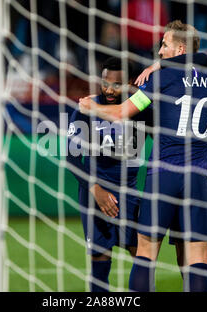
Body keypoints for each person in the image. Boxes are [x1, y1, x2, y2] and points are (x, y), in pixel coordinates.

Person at [78, 20, 207, 292]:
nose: (159, 51)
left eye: (164, 45)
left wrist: (89, 106)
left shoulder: (159, 79)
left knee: (146, 254)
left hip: (164, 175)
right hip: (201, 177)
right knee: (197, 259)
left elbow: (119, 114)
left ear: (179, 48)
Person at [66, 57, 151, 292]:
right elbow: (71, 159)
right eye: (105, 83)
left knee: (143, 259)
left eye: (117, 84)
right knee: (100, 263)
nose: (109, 89)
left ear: (131, 83)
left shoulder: (141, 110)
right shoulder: (86, 108)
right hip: (94, 196)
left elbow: (165, 145)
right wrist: (96, 190)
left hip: (129, 194)